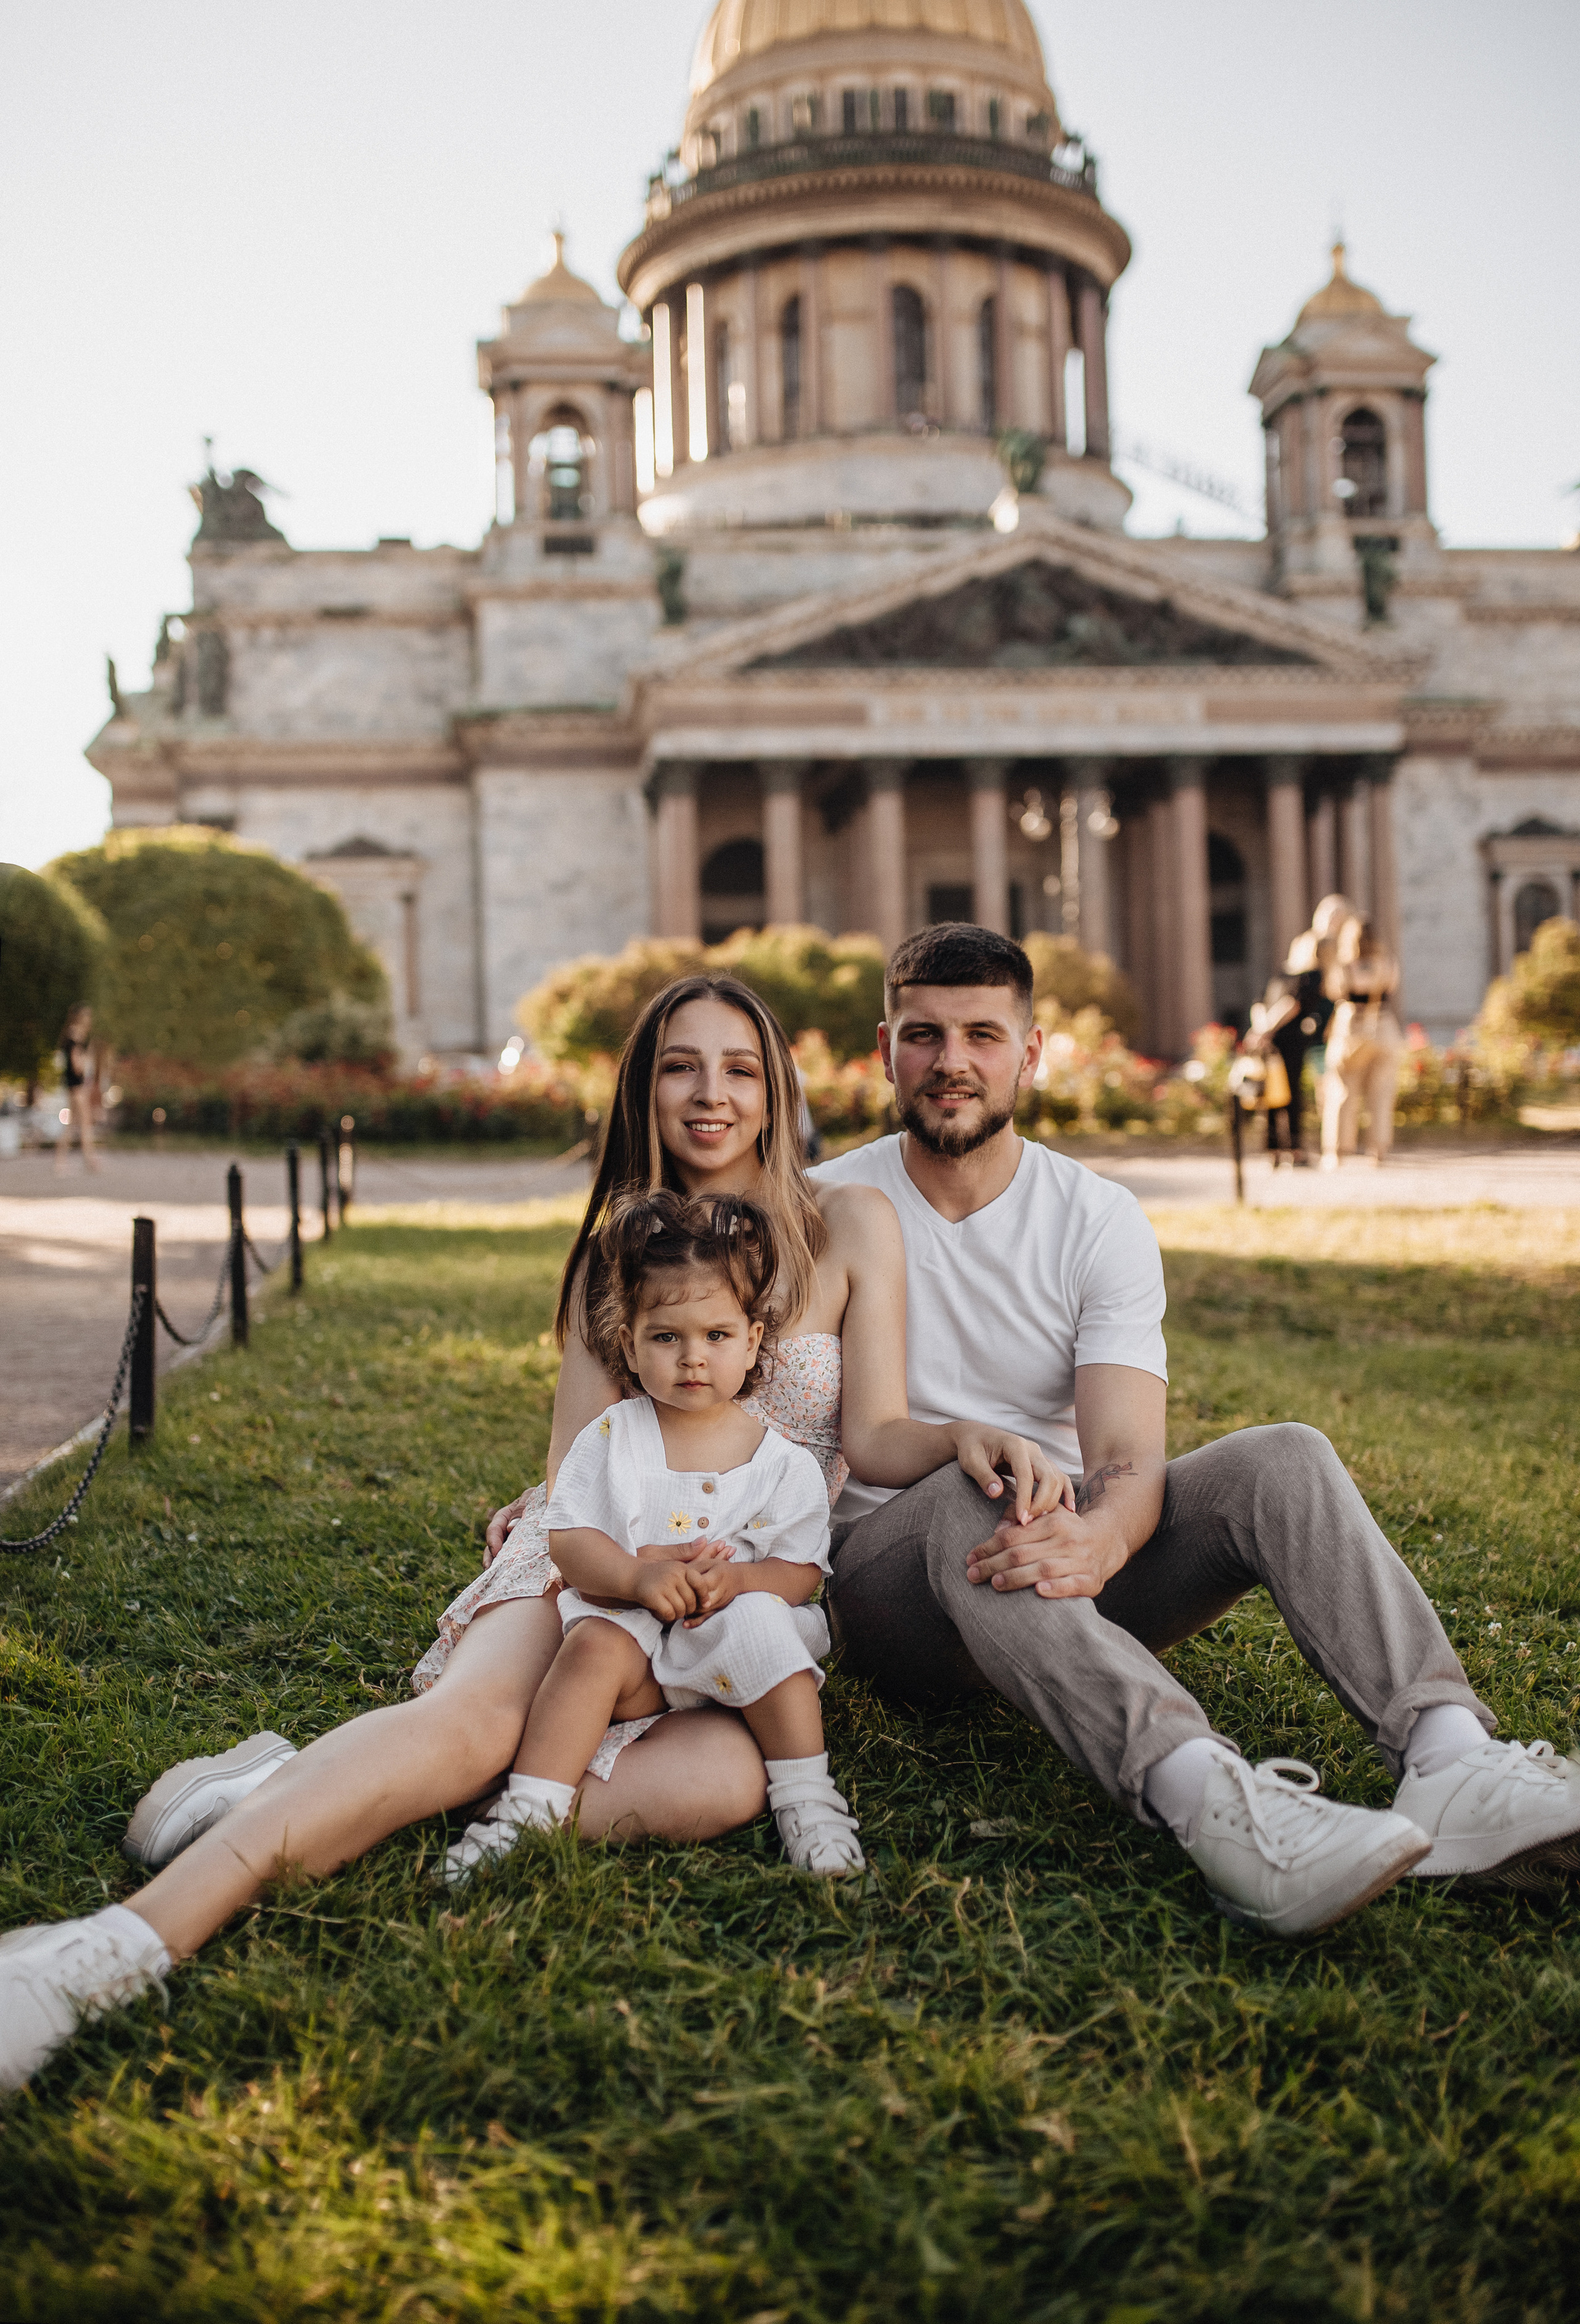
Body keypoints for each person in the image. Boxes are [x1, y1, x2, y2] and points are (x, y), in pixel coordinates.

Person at [0, 972, 1050, 2091]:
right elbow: (579, 1472)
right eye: (679, 1067)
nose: (711, 1094)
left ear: (776, 1088)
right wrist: (613, 1561)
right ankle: (110, 1950)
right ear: (644, 1089)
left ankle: (290, 1786)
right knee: (475, 1728)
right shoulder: (622, 1246)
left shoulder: (849, 1225)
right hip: (596, 1554)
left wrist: (962, 1437)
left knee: (726, 1786)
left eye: (740, 1068)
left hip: (736, 1595)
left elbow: (877, 1433)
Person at [816, 922, 1580, 1939]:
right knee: (972, 1486)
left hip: (1066, 1568)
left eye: (983, 1036)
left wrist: (1098, 1536)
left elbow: (1129, 1459)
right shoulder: (828, 1206)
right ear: (884, 1050)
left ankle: (1450, 1760)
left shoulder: (1095, 1217)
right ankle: (1213, 1800)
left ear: (1031, 1054)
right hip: (900, 1591)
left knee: (1285, 1455)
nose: (952, 1063)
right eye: (924, 1036)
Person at [447, 1190, 862, 1885]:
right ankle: (530, 1807)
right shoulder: (613, 1438)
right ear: (631, 1345)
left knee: (773, 1642)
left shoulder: (779, 1461)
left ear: (753, 1340)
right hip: (636, 1650)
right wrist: (635, 1578)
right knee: (591, 1646)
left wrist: (741, 1583)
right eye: (667, 1337)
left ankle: (809, 1798)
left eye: (717, 1336)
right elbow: (570, 1539)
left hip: (732, 1645)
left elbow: (799, 1572)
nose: (692, 1358)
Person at [1321, 913, 1403, 1168]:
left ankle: (1336, 1152)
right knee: (1381, 1093)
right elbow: (1393, 987)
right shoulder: (1388, 964)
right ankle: (1378, 1151)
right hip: (1383, 1026)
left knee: (1343, 1091)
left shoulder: (1344, 966)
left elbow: (1334, 992)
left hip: (1351, 1028)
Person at [54, 1003, 102, 1175]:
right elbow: (77, 1066)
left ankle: (61, 1163)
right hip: (78, 1086)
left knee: (71, 1125)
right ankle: (90, 1161)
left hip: (72, 1086)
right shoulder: (75, 1036)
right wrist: (88, 1056)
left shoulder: (71, 1035)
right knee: (85, 1124)